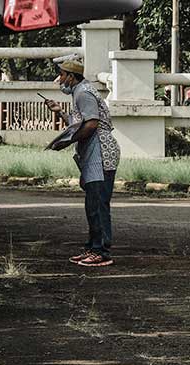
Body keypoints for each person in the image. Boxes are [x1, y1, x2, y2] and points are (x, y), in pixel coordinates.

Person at [45, 56, 120, 267]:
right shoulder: (80, 91)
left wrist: (66, 141)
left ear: (71, 76)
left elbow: (91, 125)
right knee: (92, 204)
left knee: (98, 204)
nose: (59, 80)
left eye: (61, 75)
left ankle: (101, 251)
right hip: (93, 153)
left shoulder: (84, 93)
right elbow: (79, 123)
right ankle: (93, 247)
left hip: (101, 154)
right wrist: (59, 112)